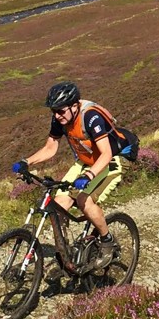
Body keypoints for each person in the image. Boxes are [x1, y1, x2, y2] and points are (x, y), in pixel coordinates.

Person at [14, 81, 124, 269]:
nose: (56, 116)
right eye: (54, 111)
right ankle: (65, 256)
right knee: (58, 205)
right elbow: (50, 148)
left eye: (60, 111)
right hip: (85, 162)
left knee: (83, 201)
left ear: (74, 106)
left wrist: (89, 175)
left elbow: (106, 153)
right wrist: (27, 162)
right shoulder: (60, 118)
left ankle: (107, 241)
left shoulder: (91, 117)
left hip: (107, 164)